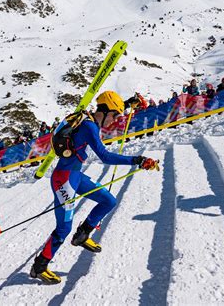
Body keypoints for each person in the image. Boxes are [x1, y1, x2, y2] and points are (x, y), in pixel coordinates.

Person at [29, 91, 159, 284]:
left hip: (75, 176)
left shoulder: (91, 118)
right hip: (63, 180)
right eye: (115, 116)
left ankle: (82, 234)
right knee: (64, 228)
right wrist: (137, 160)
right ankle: (39, 266)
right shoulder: (89, 126)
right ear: (105, 112)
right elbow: (105, 156)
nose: (115, 120)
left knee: (108, 201)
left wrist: (128, 103)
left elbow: (108, 109)